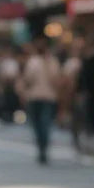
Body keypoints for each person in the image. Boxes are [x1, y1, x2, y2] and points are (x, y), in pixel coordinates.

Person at [18, 36, 61, 165]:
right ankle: (43, 147)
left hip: (42, 97)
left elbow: (28, 79)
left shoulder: (38, 62)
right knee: (41, 124)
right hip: (40, 97)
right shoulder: (45, 61)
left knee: (42, 124)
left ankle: (43, 147)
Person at [0, 46, 21, 124]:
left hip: (12, 84)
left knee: (12, 100)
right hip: (5, 85)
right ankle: (5, 115)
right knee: (5, 100)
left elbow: (16, 73)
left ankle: (12, 114)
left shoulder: (13, 62)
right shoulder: (2, 62)